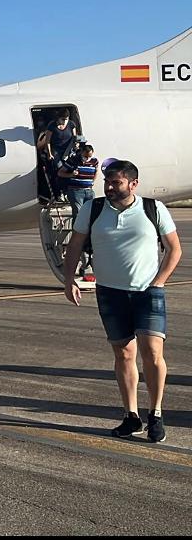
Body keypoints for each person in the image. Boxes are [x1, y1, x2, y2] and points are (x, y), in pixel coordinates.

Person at [62, 160, 181, 442]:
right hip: (110, 293)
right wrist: (68, 280)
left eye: (116, 182)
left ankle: (156, 414)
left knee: (152, 353)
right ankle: (131, 416)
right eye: (107, 183)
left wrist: (159, 281)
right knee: (124, 354)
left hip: (148, 293)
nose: (110, 187)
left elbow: (174, 249)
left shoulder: (153, 209)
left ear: (133, 184)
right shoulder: (93, 209)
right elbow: (75, 245)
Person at [59, 142, 101, 283]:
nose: (87, 159)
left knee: (92, 212)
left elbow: (96, 172)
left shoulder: (94, 162)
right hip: (75, 191)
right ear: (81, 153)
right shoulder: (73, 161)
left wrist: (91, 182)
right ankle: (80, 232)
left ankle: (88, 231)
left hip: (88, 191)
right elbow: (60, 173)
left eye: (89, 157)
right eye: (85, 157)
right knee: (78, 213)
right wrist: (72, 174)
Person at [37, 111, 78, 199]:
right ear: (58, 118)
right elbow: (47, 141)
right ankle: (59, 192)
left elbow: (74, 138)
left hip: (67, 151)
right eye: (62, 119)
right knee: (59, 169)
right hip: (56, 150)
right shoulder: (52, 126)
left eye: (66, 119)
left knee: (68, 169)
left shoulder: (71, 124)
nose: (64, 121)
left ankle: (67, 190)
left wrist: (75, 145)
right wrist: (50, 154)